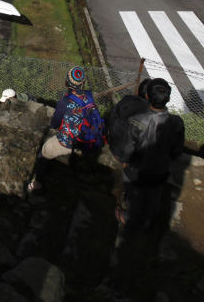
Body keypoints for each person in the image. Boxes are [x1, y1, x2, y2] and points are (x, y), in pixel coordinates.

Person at [115, 78, 184, 235]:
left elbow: (127, 149)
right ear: (168, 99)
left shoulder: (137, 121)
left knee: (133, 197)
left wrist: (125, 161)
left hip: (136, 171)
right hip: (160, 171)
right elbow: (177, 151)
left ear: (147, 97)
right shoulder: (176, 123)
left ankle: (128, 218)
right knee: (153, 197)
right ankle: (148, 221)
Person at [27, 67, 104, 193]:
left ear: (67, 82)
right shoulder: (89, 97)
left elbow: (55, 124)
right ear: (83, 83)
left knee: (43, 152)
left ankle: (37, 183)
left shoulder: (64, 101)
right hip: (88, 139)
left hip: (69, 142)